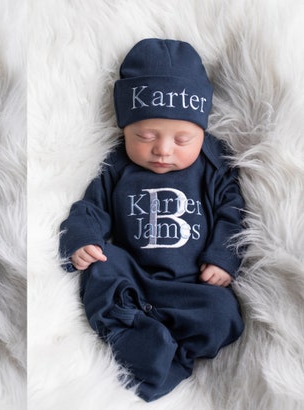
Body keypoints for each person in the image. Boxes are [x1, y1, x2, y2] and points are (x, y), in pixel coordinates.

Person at [59, 38, 244, 401]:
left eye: (182, 138)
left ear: (202, 131)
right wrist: (83, 239)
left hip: (191, 284)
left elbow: (232, 210)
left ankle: (171, 356)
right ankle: (136, 332)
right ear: (125, 128)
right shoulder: (116, 164)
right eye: (145, 135)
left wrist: (224, 257)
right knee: (101, 266)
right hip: (134, 280)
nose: (162, 149)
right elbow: (91, 207)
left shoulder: (212, 163)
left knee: (224, 315)